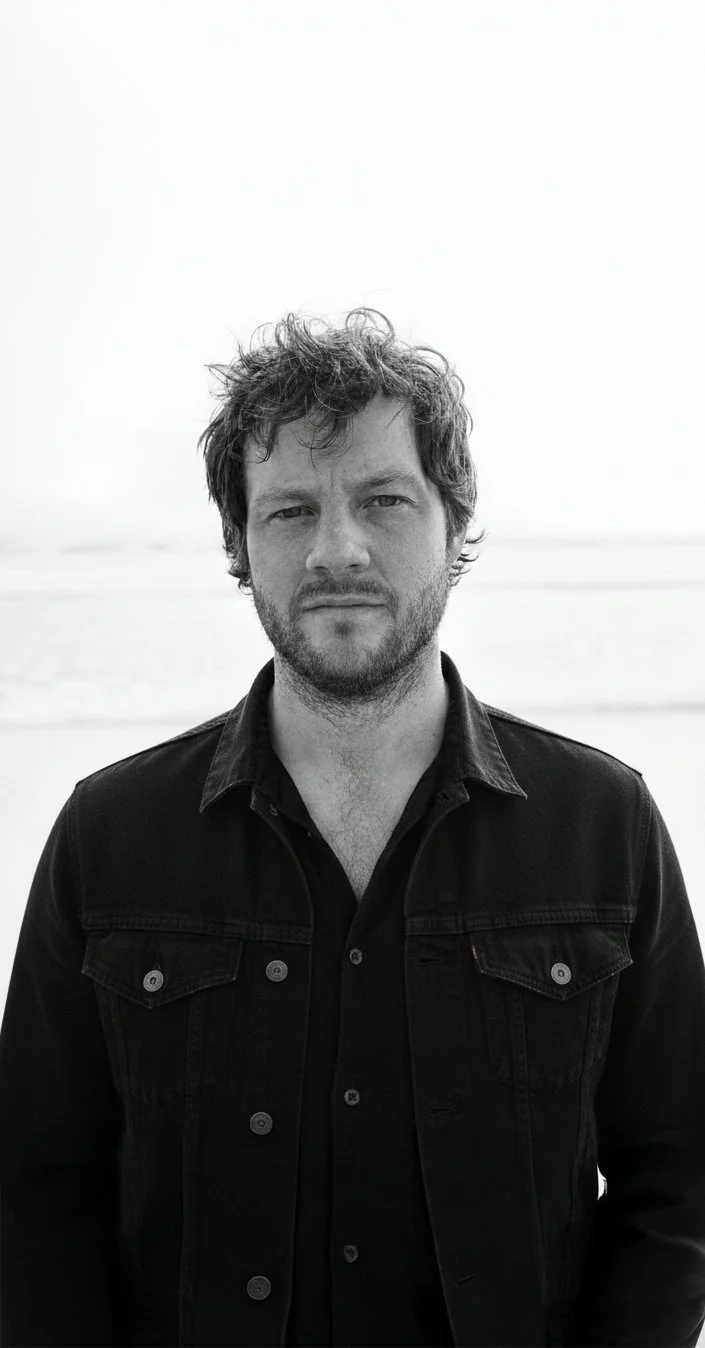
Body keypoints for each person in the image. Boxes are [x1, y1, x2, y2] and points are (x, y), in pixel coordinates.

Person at [1, 308, 704, 1348]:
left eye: (383, 499)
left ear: (454, 524)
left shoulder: (603, 825)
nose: (339, 548)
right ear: (239, 542)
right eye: (290, 510)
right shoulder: (110, 836)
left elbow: (679, 1172)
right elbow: (35, 1196)